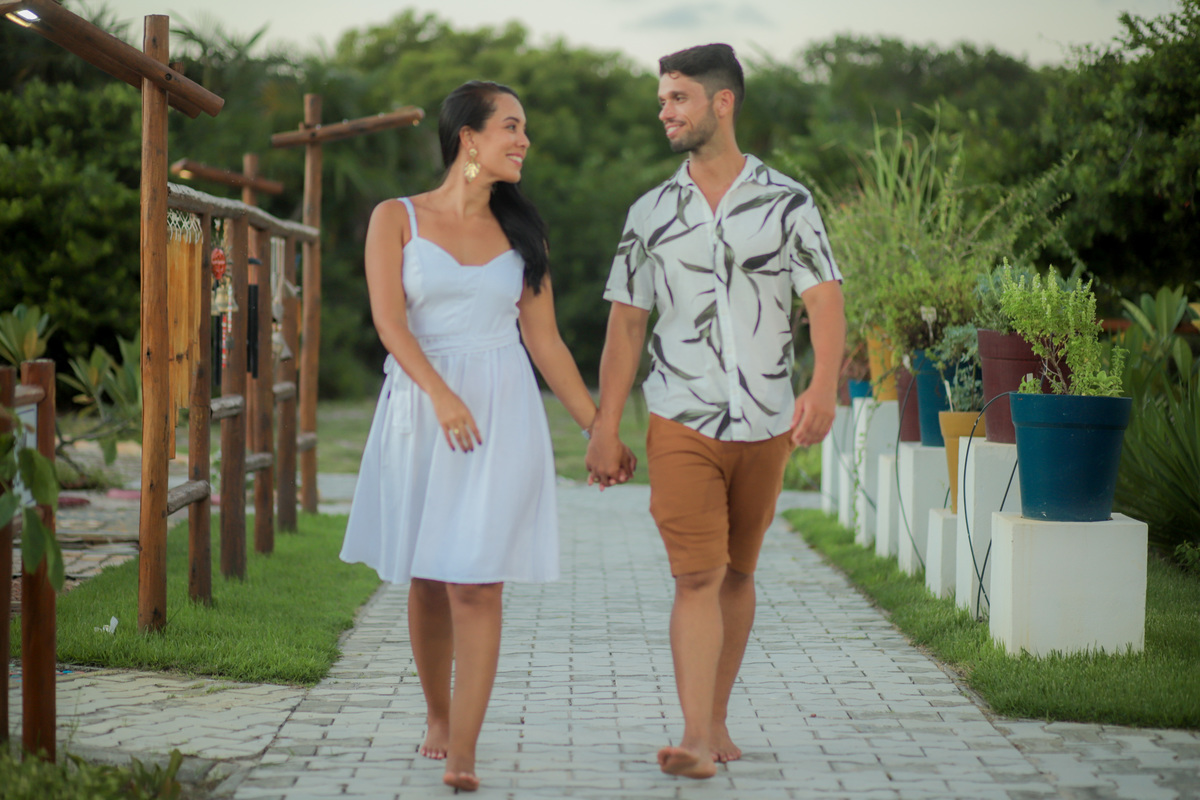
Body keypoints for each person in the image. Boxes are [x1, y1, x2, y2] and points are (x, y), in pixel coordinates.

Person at [340, 80, 634, 793]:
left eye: (523, 128)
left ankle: (465, 749)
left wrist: (599, 428)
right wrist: (439, 394)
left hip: (502, 416)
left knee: (477, 581)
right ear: (468, 138)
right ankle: (437, 717)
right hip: (421, 411)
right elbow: (390, 322)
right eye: (511, 126)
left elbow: (547, 344)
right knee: (430, 576)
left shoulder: (523, 233)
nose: (523, 140)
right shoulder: (396, 218)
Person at [585, 44, 845, 780]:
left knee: (738, 571)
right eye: (662, 99)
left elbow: (823, 296)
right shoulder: (651, 213)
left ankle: (719, 713)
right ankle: (696, 736)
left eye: (677, 99)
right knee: (696, 575)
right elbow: (626, 324)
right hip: (679, 416)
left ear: (721, 102)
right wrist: (606, 426)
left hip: (767, 418)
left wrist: (822, 385)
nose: (664, 112)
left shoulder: (789, 201)